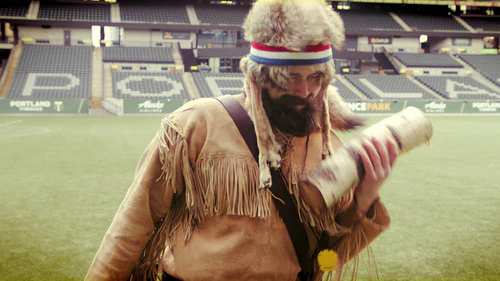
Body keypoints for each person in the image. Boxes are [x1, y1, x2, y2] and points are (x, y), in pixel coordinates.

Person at [85, 0, 398, 280]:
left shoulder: (328, 147)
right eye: (291, 77)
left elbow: (327, 259)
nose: (306, 92)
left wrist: (364, 198)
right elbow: (133, 224)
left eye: (316, 77)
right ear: (259, 77)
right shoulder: (196, 125)